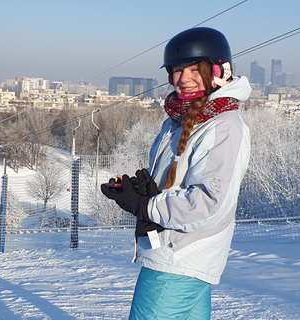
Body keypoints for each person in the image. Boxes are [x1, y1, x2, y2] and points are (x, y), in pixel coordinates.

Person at [101, 27, 251, 319]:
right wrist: (141, 191)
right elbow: (178, 184)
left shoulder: (223, 126)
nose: (182, 79)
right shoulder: (178, 120)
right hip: (177, 255)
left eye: (194, 69)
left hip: (178, 257)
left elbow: (209, 205)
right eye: (176, 70)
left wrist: (146, 205)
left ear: (219, 70)